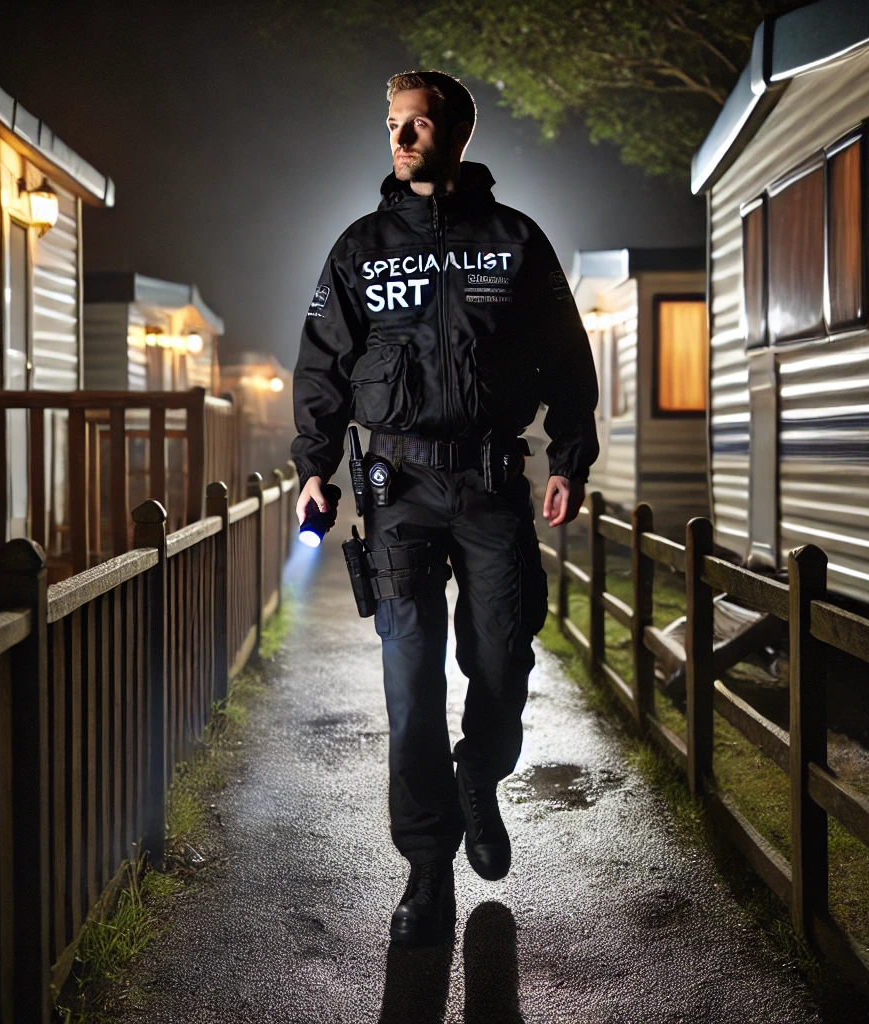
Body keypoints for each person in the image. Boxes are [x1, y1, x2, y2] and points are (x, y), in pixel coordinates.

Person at [291, 70, 598, 946]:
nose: (404, 136)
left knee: (502, 655)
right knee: (411, 681)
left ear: (460, 132)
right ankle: (426, 872)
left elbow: (567, 361)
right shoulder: (360, 248)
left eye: (420, 123)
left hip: (494, 483)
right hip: (398, 493)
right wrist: (315, 467)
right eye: (394, 123)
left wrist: (569, 457)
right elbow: (322, 367)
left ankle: (481, 775)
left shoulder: (515, 242)